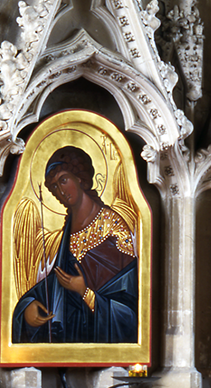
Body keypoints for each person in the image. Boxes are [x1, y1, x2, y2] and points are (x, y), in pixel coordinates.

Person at [10, 145, 140, 345]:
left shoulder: (113, 227)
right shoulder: (67, 233)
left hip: (100, 337)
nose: (60, 191)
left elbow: (130, 306)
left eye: (63, 180)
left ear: (80, 179)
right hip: (70, 333)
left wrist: (85, 293)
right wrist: (29, 305)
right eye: (53, 186)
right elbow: (59, 282)